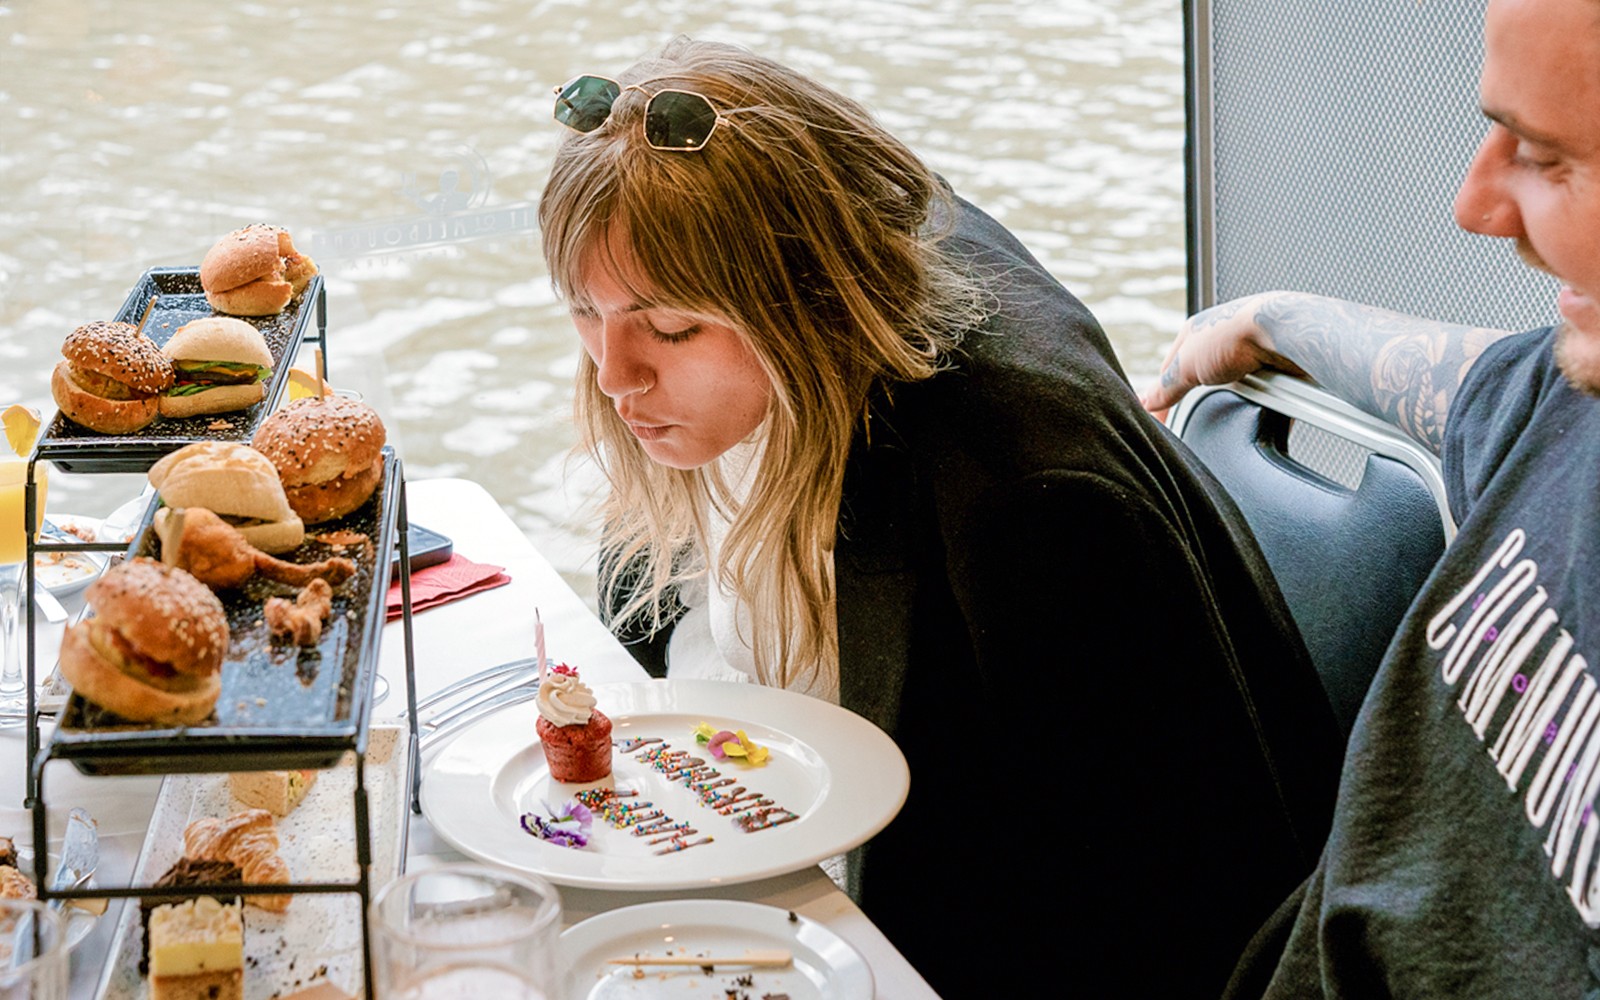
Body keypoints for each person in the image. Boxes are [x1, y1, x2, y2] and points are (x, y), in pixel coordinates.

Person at [539, 37, 1343, 996]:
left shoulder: (1022, 498)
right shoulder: (710, 369)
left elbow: (1123, 896)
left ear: (809, 298)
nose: (613, 373)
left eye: (670, 328)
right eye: (585, 312)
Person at [1140, 0, 1600, 994]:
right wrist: (1271, 321)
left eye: (1552, 157)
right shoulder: (1574, 393)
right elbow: (1466, 384)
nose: (1475, 205)